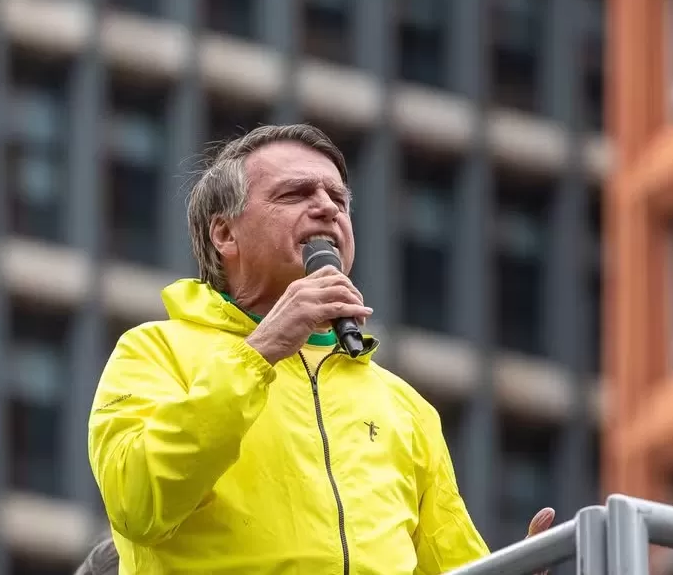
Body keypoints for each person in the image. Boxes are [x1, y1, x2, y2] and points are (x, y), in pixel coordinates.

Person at [88, 124, 555, 574]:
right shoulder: (154, 351)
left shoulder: (405, 408)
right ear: (225, 234)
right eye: (295, 195)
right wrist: (263, 348)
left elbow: (453, 567)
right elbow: (137, 501)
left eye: (338, 199)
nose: (327, 209)